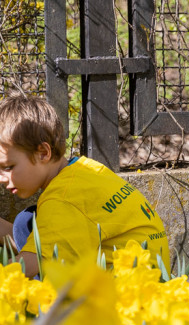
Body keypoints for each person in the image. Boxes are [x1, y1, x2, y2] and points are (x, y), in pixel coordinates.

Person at [0, 96, 171, 277]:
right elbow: (53, 237)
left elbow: (33, 262)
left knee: (27, 226)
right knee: (25, 223)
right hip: (151, 282)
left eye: (8, 167)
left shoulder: (63, 199)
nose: (1, 178)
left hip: (124, 295)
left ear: (43, 153)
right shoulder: (85, 170)